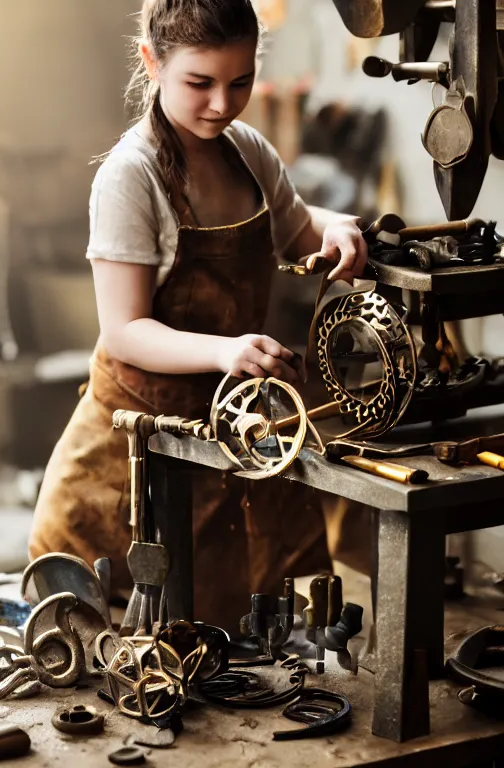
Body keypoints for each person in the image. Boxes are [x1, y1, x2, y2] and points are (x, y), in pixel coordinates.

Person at [29, 0, 368, 630]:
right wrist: (222, 351)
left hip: (232, 438)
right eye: (200, 83)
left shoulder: (248, 152)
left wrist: (337, 226)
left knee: (234, 633)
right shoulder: (130, 178)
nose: (221, 104)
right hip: (134, 453)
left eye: (240, 82)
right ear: (152, 63)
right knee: (113, 642)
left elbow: (296, 231)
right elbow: (124, 331)